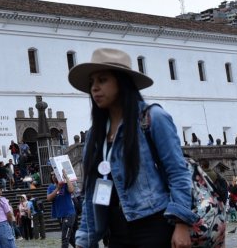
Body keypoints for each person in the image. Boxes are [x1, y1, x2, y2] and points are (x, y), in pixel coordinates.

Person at [69, 48, 197, 248]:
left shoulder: (152, 119)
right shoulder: (95, 135)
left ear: (122, 82)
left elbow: (178, 173)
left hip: (154, 226)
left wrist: (181, 223)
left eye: (102, 80)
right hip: (115, 234)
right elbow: (90, 193)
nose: (94, 88)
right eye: (92, 82)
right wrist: (84, 237)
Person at [46, 170, 77, 248]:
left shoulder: (65, 184)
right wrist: (57, 189)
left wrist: (66, 177)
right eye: (52, 175)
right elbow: (49, 198)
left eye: (55, 174)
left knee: (65, 238)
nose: (53, 176)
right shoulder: (51, 187)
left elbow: (71, 190)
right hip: (60, 216)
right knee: (70, 238)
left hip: (69, 214)